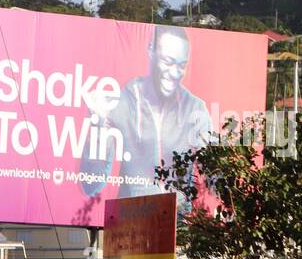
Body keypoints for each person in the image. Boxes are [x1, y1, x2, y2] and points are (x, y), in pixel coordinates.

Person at [80, 25, 214, 208]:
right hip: (132, 219)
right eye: (167, 62)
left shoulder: (195, 108)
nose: (174, 73)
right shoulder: (122, 102)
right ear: (151, 51)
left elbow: (213, 177)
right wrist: (97, 123)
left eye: (181, 65)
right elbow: (91, 183)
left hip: (178, 222)